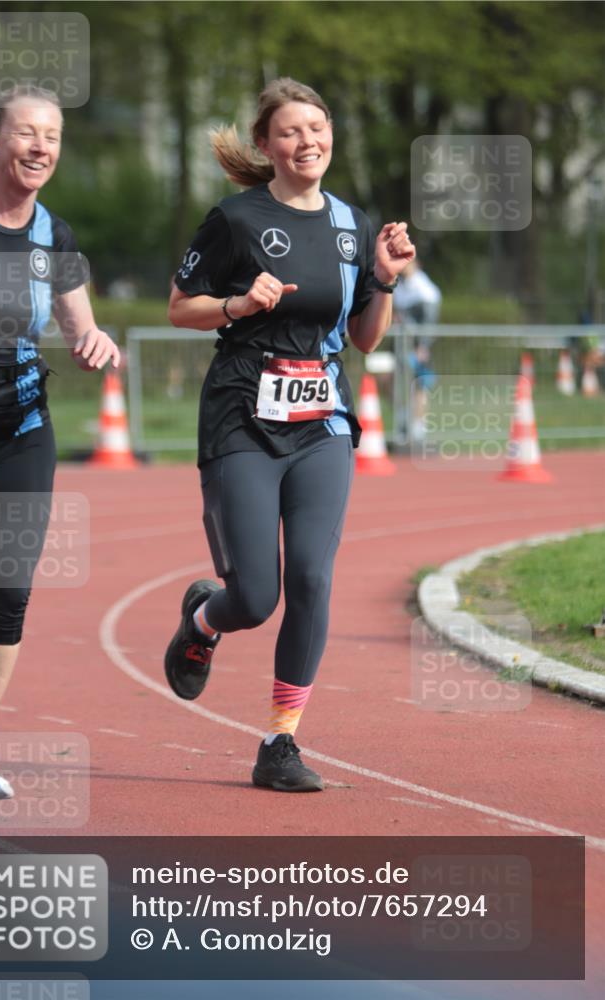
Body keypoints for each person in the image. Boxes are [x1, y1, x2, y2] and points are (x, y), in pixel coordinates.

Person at [164, 78, 415, 792]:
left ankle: (280, 743)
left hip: (321, 423)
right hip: (242, 416)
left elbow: (364, 338)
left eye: (317, 127)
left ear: (330, 134)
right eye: (290, 132)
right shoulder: (236, 219)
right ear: (267, 146)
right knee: (255, 597)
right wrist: (239, 303)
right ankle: (205, 620)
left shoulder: (351, 224)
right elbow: (181, 308)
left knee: (310, 578)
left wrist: (386, 281)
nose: (307, 142)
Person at [0, 85, 120, 799]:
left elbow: (80, 325)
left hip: (21, 433)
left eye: (52, 135)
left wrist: (94, 341)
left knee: (8, 599)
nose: (41, 146)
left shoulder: (56, 236)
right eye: (26, 133)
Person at [392, 258, 441, 441]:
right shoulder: (401, 284)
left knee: (420, 384)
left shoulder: (423, 287)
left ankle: (419, 425)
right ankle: (405, 417)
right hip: (403, 345)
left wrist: (424, 345)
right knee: (399, 381)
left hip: (418, 346)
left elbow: (430, 319)